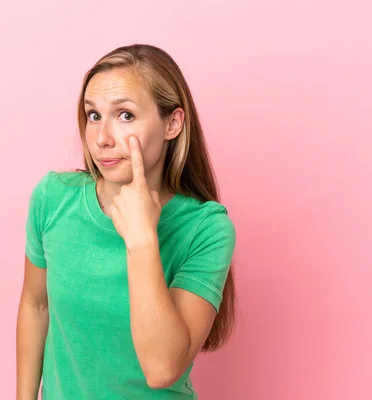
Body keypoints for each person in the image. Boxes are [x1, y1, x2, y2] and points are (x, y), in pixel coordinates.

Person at [16, 44, 237, 400]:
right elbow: (35, 304)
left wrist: (141, 239)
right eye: (94, 116)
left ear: (172, 123)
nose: (102, 138)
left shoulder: (206, 228)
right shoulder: (53, 198)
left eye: (125, 115)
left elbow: (162, 369)